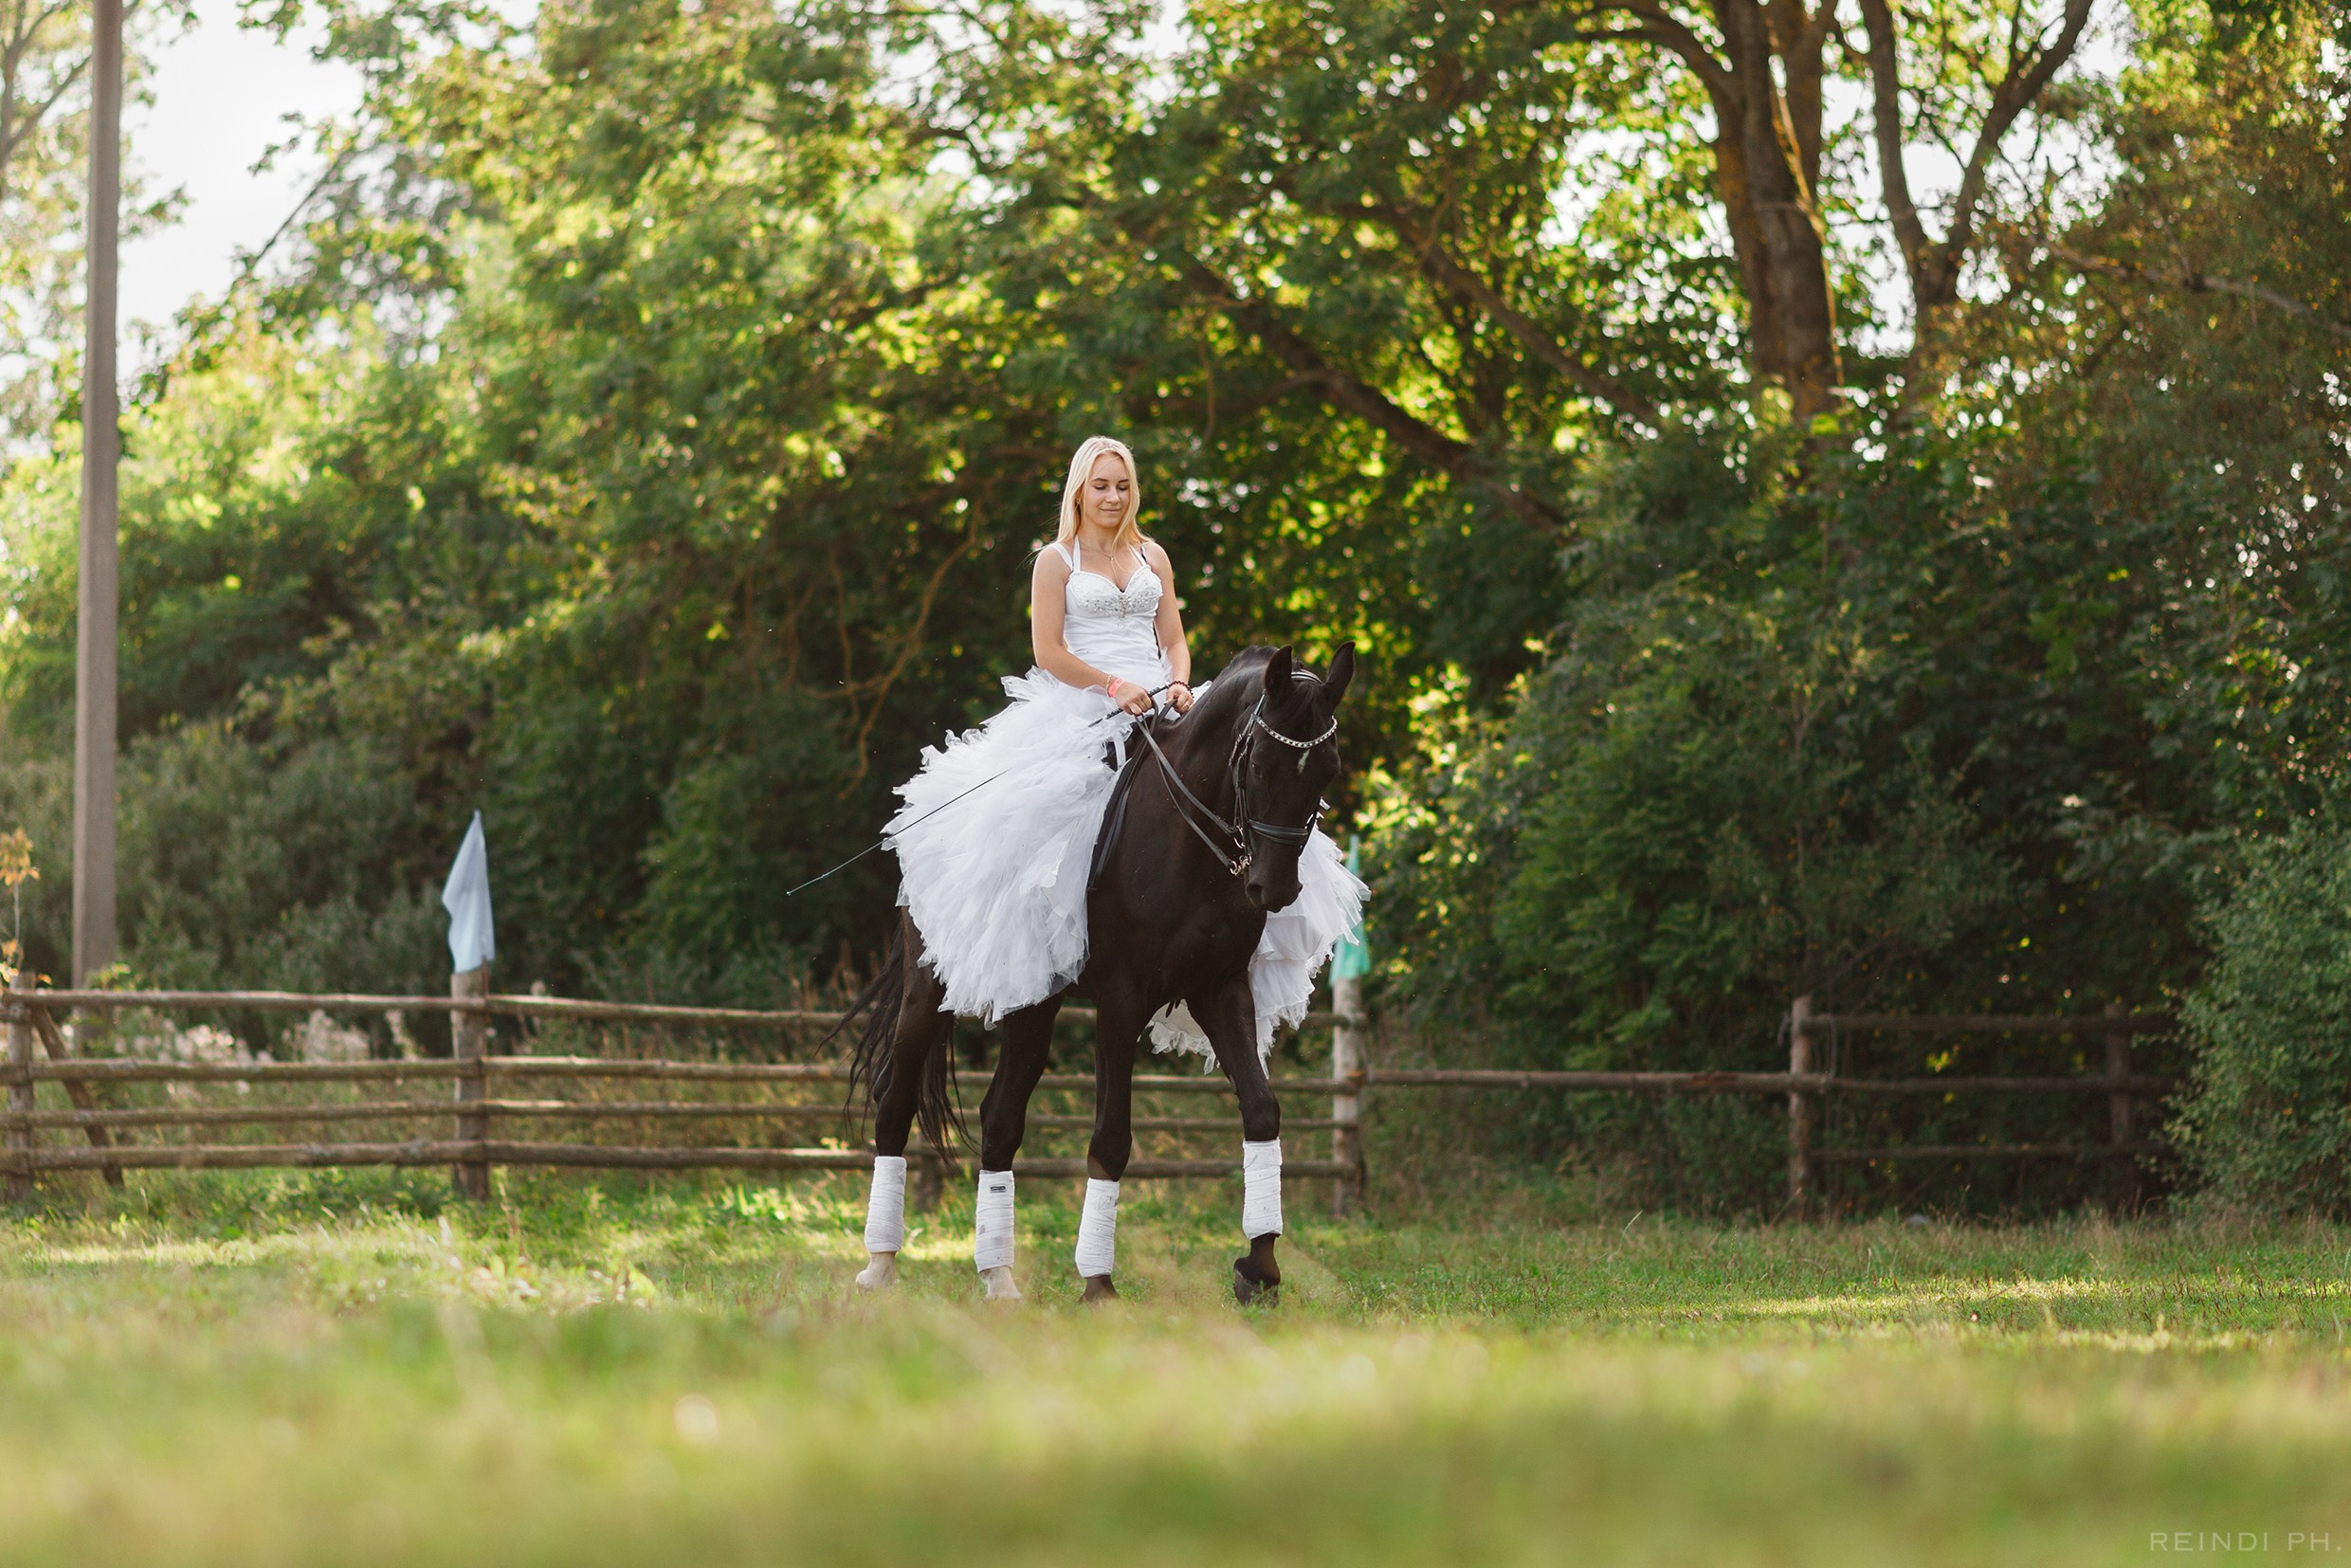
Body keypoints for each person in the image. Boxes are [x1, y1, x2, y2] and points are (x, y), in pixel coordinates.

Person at [883, 435, 1364, 1061]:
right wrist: (1112, 685)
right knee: (1041, 821)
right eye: (1101, 485)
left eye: (1122, 485)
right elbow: (1048, 651)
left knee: (1243, 780)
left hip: (1162, 701)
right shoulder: (1056, 561)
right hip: (1083, 703)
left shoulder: (1152, 556)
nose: (1112, 496)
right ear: (1079, 490)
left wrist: (1181, 683)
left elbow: (1175, 638)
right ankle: (1042, 945)